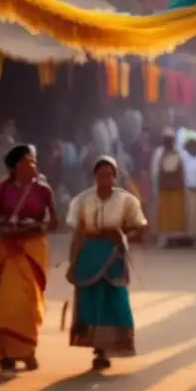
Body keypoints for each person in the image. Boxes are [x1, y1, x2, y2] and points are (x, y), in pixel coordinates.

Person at [66, 156, 147, 370]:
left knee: (115, 298)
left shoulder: (126, 201)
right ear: (95, 177)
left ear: (115, 177)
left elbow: (139, 227)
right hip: (90, 254)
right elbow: (77, 232)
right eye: (101, 174)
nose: (105, 178)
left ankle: (110, 346)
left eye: (109, 174)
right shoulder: (81, 200)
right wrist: (73, 260)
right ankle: (98, 349)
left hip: (113, 256)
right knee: (91, 300)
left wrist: (121, 234)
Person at [0, 145, 58, 372]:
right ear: (15, 166)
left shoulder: (44, 190)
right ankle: (6, 354)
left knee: (30, 301)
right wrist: (5, 233)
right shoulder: (1, 188)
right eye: (27, 161)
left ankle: (28, 351)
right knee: (6, 301)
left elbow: (54, 223)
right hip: (6, 249)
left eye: (33, 161)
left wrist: (31, 229)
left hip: (33, 251)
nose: (33, 165)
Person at [151, 128, 185, 247]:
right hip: (163, 189)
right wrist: (155, 188)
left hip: (176, 189)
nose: (169, 142)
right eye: (166, 140)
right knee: (164, 215)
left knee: (175, 214)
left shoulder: (179, 153)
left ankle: (174, 239)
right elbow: (154, 172)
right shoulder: (158, 153)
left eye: (171, 140)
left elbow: (182, 172)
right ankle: (164, 239)